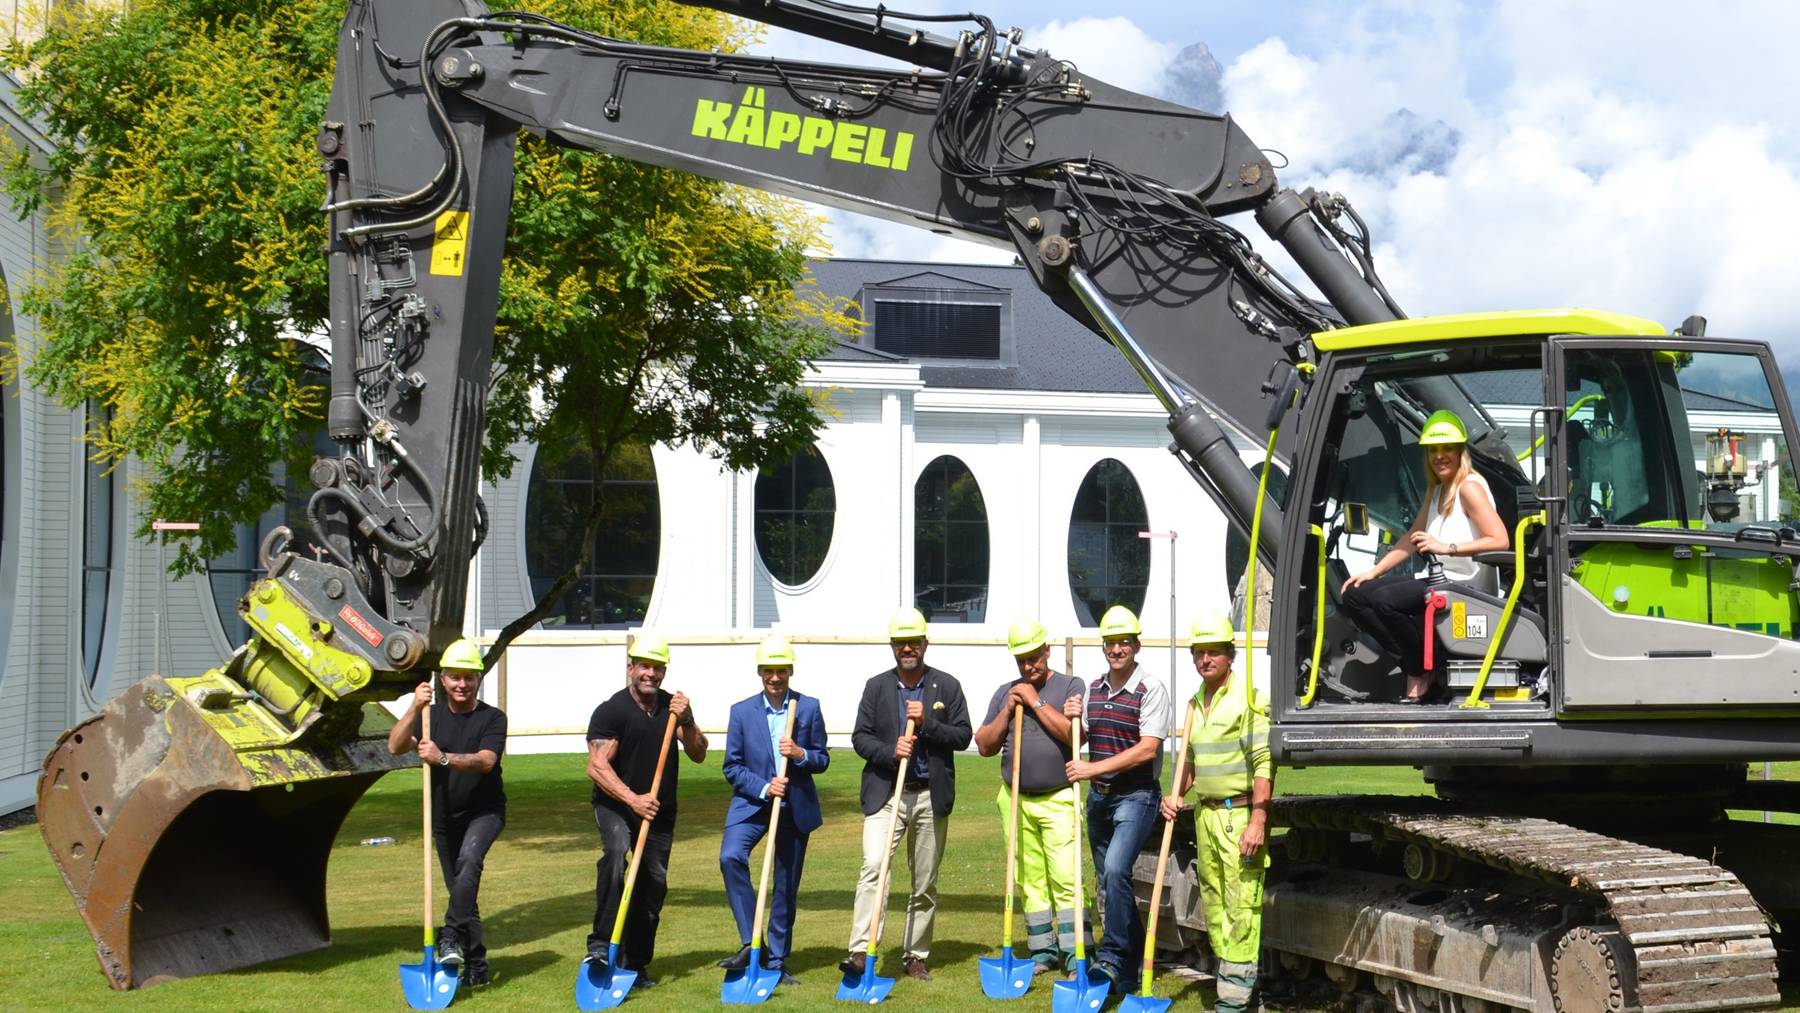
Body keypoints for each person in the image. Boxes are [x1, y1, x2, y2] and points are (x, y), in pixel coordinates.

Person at [840, 607, 973, 982]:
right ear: (893, 646)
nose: (907, 648)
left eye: (913, 641)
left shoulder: (946, 685)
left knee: (925, 880)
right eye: (901, 643)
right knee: (873, 868)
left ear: (925, 643)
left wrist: (929, 724)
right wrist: (890, 751)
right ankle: (861, 952)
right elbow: (860, 737)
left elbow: (964, 735)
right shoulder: (876, 686)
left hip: (931, 795)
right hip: (887, 795)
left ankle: (915, 955)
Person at [1340, 409, 1509, 702]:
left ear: (1460, 452)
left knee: (1385, 602)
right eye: (1433, 449)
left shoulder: (1469, 487)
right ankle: (1416, 662)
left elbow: (1500, 539)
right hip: (1436, 577)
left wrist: (1447, 547)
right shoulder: (1438, 490)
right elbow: (1411, 537)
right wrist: (1373, 572)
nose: (1439, 456)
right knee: (1356, 595)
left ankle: (1420, 668)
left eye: (1447, 449)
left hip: (1463, 583)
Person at [582, 632, 709, 987]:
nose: (650, 673)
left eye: (657, 667)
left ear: (664, 671)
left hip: (659, 814)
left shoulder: (672, 709)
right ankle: (600, 945)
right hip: (617, 808)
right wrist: (633, 799)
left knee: (652, 886)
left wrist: (688, 718)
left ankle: (634, 965)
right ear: (631, 668)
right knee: (616, 852)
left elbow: (699, 753)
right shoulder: (612, 710)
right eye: (644, 666)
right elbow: (596, 767)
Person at [1160, 612, 1271, 1013]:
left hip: (1239, 816)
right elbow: (1189, 764)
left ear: (1230, 655)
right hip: (1205, 818)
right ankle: (1234, 983)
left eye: (1214, 653)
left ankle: (1236, 998)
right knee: (1215, 902)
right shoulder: (1193, 705)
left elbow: (1263, 763)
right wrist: (1175, 793)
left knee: (1243, 904)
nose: (1205, 660)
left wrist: (1258, 820)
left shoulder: (1251, 700)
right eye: (1199, 653)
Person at [386, 638, 507, 988]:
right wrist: (414, 706)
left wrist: (441, 758)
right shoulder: (430, 718)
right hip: (444, 817)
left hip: (484, 812)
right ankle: (477, 965)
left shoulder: (492, 718)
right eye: (455, 677)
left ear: (478, 679)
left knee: (470, 863)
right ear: (443, 680)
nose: (461, 684)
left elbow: (486, 762)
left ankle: (449, 937)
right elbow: (394, 746)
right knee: (461, 890)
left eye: (469, 677)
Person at [1064, 605, 1170, 992]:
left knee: (1114, 869)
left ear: (1136, 645)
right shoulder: (1093, 688)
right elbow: (1079, 738)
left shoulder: (1150, 689)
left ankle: (1109, 957)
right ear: (1104, 647)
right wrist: (1070, 716)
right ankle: (1134, 964)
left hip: (1137, 796)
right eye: (1111, 643)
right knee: (1112, 883)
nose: (1117, 649)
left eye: (1124, 642)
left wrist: (1091, 768)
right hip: (1100, 800)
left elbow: (1147, 749)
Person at [973, 618, 1087, 976]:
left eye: (1033, 657)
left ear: (1047, 651)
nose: (1027, 665)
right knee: (1029, 880)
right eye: (1021, 659)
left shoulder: (1070, 685)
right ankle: (1042, 951)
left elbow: (1075, 738)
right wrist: (1009, 709)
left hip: (1058, 798)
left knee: (1066, 879)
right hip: (1016, 798)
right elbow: (985, 745)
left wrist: (1035, 702)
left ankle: (1076, 954)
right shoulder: (1005, 691)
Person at [718, 634, 830, 985]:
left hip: (795, 805)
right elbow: (732, 767)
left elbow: (822, 759)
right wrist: (766, 787)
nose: (775, 678)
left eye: (781, 671)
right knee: (730, 857)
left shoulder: (808, 707)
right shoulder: (741, 712)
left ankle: (776, 961)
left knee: (785, 885)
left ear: (790, 671)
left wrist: (801, 755)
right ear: (760, 672)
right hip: (752, 804)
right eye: (769, 671)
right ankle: (754, 944)